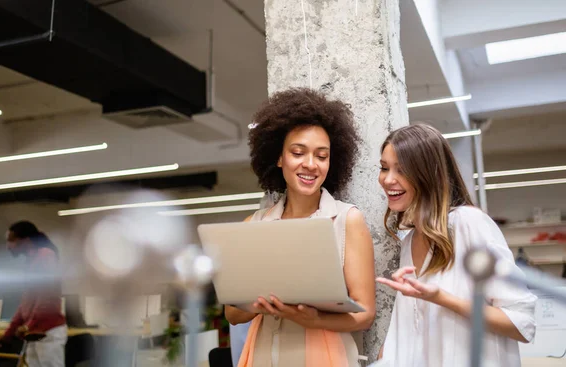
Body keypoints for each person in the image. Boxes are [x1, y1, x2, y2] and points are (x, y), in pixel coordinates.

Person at [226, 88, 376, 367]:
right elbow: (232, 315)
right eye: (298, 152)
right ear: (279, 157)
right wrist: (262, 302)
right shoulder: (253, 225)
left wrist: (315, 318)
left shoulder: (346, 220)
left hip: (324, 356)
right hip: (262, 356)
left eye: (322, 156)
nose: (310, 164)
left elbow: (365, 314)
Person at [375, 124, 537, 366]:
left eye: (402, 170)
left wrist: (442, 298)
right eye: (384, 168)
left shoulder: (470, 224)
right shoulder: (409, 241)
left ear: (428, 173)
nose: (388, 180)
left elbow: (521, 323)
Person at [0, 221, 67, 367]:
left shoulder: (45, 256)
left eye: (11, 240)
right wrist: (8, 333)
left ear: (26, 240)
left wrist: (28, 325)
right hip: (34, 334)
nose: (8, 246)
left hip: (47, 332)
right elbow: (26, 303)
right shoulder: (31, 261)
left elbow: (47, 297)